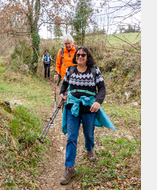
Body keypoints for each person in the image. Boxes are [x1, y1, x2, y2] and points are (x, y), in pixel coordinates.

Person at [59, 47, 116, 185]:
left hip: (89, 108)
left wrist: (98, 102)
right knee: (72, 137)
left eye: (83, 55)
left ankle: (90, 149)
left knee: (89, 134)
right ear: (75, 56)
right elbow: (65, 84)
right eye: (78, 54)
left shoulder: (94, 70)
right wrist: (62, 93)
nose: (80, 57)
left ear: (87, 56)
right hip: (73, 107)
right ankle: (69, 168)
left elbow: (102, 88)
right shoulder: (70, 70)